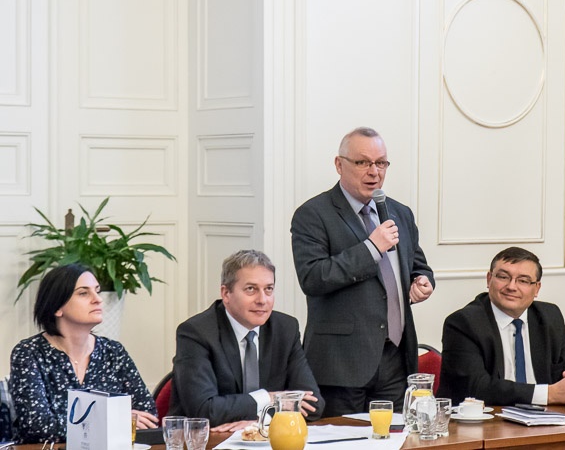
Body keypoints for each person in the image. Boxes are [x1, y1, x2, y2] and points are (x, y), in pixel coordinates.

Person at [290, 126, 435, 417]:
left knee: (396, 437)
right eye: (362, 162)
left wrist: (422, 281)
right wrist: (371, 248)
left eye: (381, 163)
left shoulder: (400, 212)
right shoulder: (313, 214)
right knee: (344, 439)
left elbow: (417, 264)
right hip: (342, 365)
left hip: (395, 359)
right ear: (339, 164)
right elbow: (313, 278)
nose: (374, 172)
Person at [169, 249, 323, 431]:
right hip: (206, 440)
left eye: (268, 289)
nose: (262, 300)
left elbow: (313, 405)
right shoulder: (196, 332)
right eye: (251, 289)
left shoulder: (285, 329)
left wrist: (260, 421)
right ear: (226, 293)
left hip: (266, 438)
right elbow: (204, 410)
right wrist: (269, 398)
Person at [9, 264, 157, 444]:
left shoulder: (113, 351)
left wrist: (88, 425)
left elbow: (147, 416)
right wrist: (114, 421)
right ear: (57, 307)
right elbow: (38, 426)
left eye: (97, 291)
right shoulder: (29, 353)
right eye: (83, 293)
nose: (98, 299)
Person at [437, 247, 565, 406]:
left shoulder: (549, 316)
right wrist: (548, 394)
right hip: (485, 417)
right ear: (489, 279)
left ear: (537, 288)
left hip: (546, 416)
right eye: (503, 277)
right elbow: (476, 387)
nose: (511, 287)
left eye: (523, 281)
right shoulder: (463, 323)